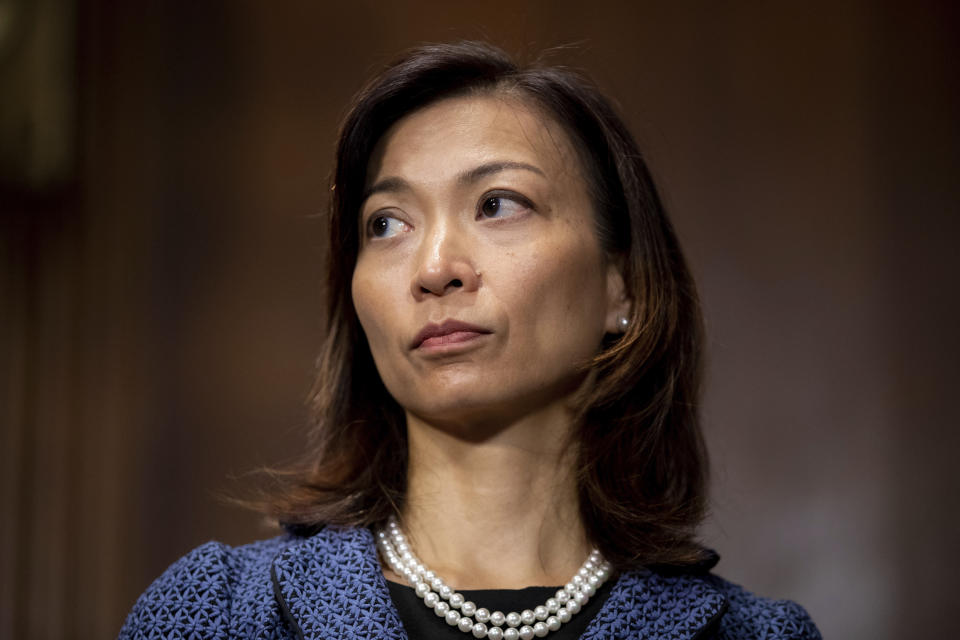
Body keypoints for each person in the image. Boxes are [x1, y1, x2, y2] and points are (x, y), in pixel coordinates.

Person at [119, 41, 821, 640]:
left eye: (498, 205)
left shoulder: (750, 634)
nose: (433, 269)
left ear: (623, 288)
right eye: (387, 223)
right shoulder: (221, 613)